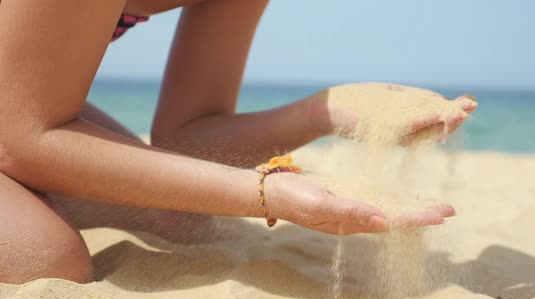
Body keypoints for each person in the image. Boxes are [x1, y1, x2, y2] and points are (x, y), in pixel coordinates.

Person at [0, 0, 476, 284]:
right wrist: (268, 195)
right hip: (19, 118)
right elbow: (24, 138)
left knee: (182, 217)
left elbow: (186, 139)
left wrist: (326, 110)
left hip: (14, 101)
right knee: (46, 258)